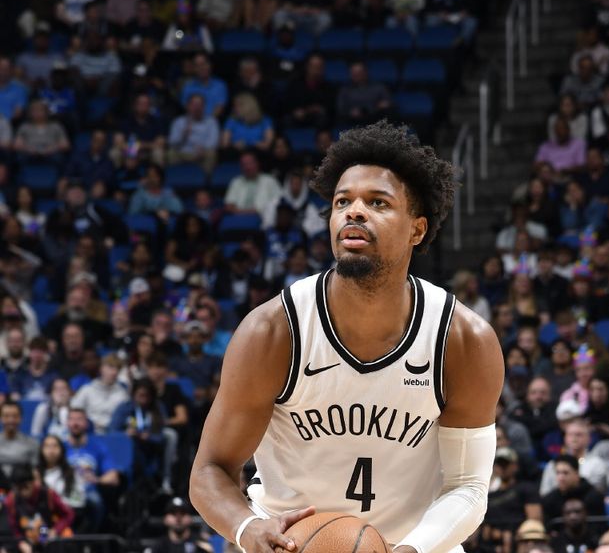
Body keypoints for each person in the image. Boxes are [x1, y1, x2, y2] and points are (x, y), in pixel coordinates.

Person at [190, 121, 504, 553]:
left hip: (416, 547)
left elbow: (468, 487)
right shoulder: (273, 331)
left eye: (378, 203)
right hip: (290, 546)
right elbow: (210, 469)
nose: (354, 212)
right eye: (343, 202)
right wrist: (247, 528)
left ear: (417, 228)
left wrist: (409, 550)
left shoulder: (462, 339)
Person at [144, 497, 214, 553]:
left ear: (190, 518)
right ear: (166, 519)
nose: (178, 518)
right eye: (173, 513)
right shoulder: (158, 547)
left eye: (183, 513)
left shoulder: (201, 544)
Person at [0, 401, 39, 478]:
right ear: (1, 418)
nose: (11, 420)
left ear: (21, 418)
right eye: (6, 416)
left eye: (15, 416)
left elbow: (35, 472)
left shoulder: (32, 444)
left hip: (22, 486)